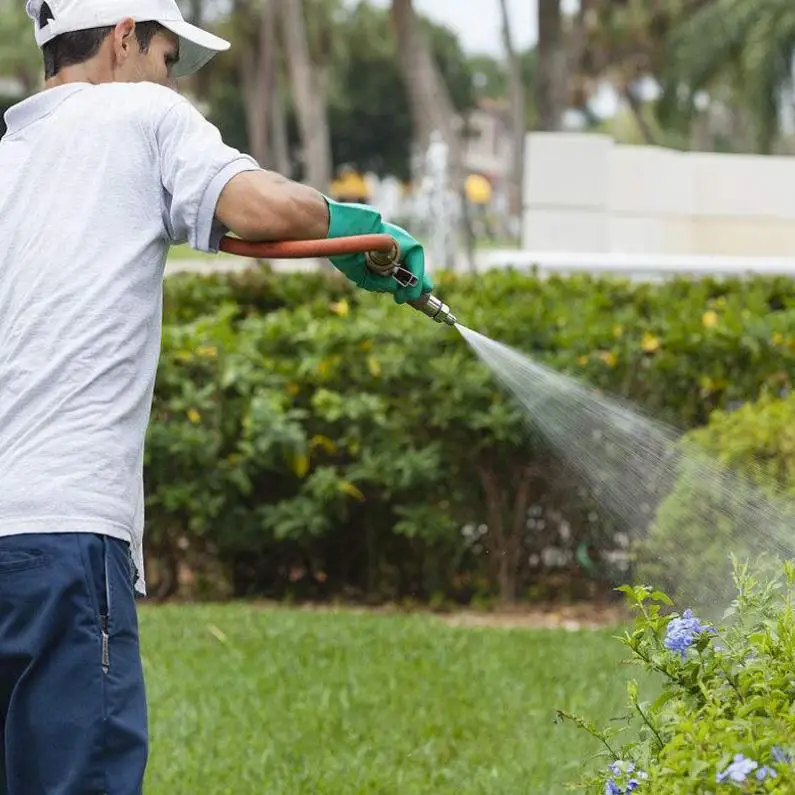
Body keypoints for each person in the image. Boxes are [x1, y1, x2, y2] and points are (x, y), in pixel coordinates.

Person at [0, 1, 431, 793]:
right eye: (168, 58)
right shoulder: (140, 112)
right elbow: (259, 208)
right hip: (63, 532)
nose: (170, 79)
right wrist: (347, 221)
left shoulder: (10, 154)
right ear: (125, 36)